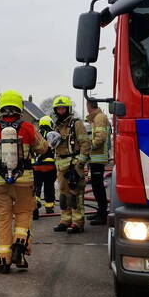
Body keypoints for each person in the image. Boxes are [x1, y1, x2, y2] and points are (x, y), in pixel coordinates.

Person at [0, 90, 49, 273]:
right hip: (24, 181)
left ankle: (3, 260)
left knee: (3, 219)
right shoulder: (28, 128)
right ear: (19, 108)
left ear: (1, 108)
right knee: (23, 213)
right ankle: (20, 248)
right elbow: (43, 148)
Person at [51, 96, 90, 234]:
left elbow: (85, 143)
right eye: (58, 109)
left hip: (74, 164)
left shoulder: (76, 124)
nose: (61, 111)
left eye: (63, 108)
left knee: (76, 194)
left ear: (68, 109)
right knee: (63, 194)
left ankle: (77, 223)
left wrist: (80, 162)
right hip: (61, 164)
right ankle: (65, 220)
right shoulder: (56, 125)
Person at [85, 99, 111, 225]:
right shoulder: (96, 118)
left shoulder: (99, 118)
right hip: (95, 158)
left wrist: (89, 147)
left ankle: (102, 215)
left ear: (89, 106)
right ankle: (100, 212)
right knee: (96, 186)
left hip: (98, 158)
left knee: (98, 187)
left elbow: (100, 137)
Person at [32, 116, 57, 219]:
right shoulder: (53, 134)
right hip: (49, 166)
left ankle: (36, 201)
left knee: (36, 185)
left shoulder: (36, 133)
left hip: (36, 166)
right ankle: (49, 207)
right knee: (49, 186)